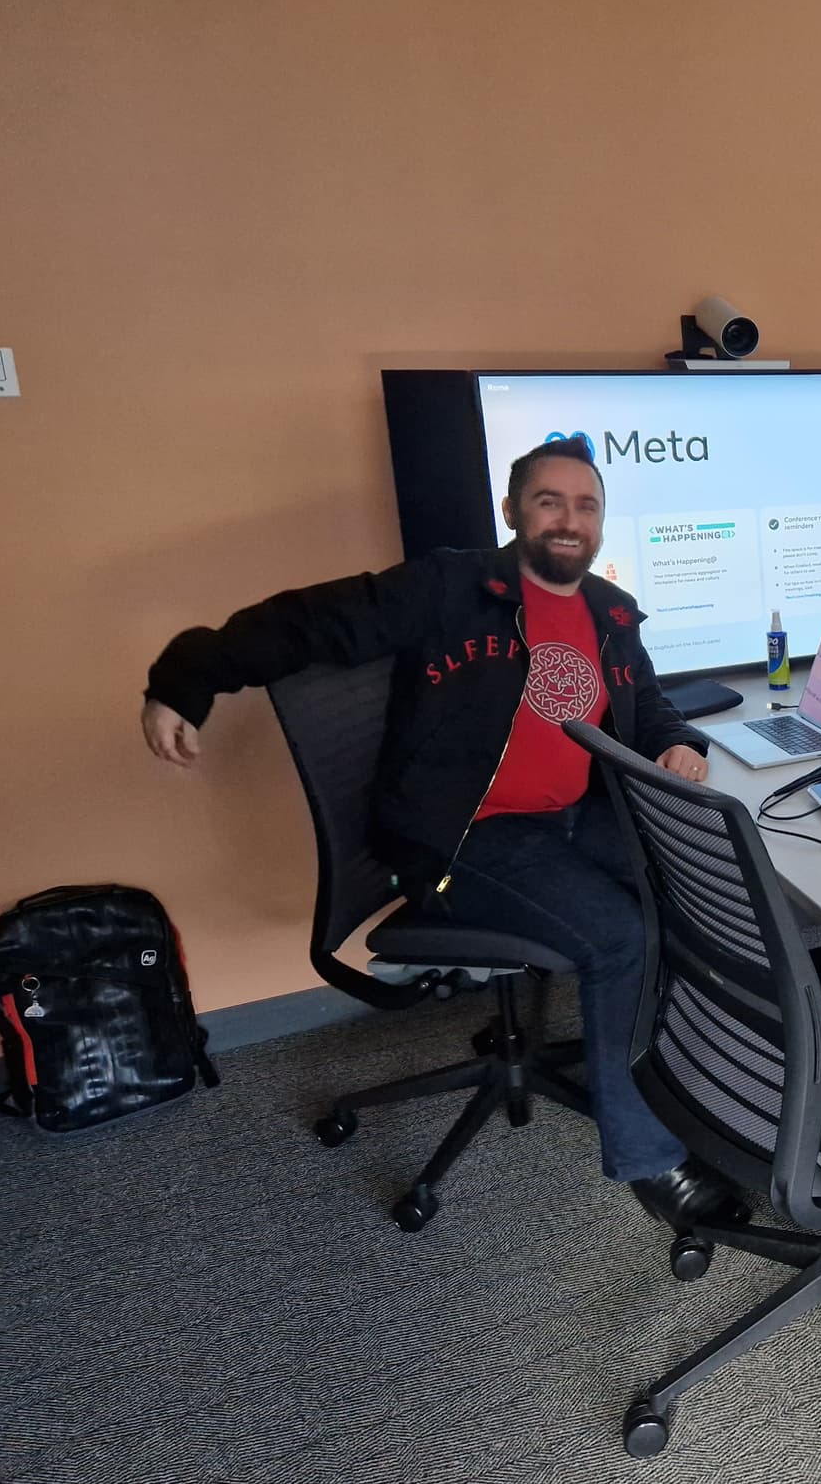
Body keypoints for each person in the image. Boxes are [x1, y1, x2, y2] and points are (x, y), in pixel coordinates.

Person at [141, 437, 743, 1229]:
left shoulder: (608, 612)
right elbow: (306, 624)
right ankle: (651, 1161)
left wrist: (678, 746)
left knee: (702, 888)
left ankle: (694, 1093)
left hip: (574, 816)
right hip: (469, 835)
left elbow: (650, 704)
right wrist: (188, 677)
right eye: (549, 501)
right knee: (622, 937)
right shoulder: (451, 587)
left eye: (585, 505)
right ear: (513, 512)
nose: (569, 520)